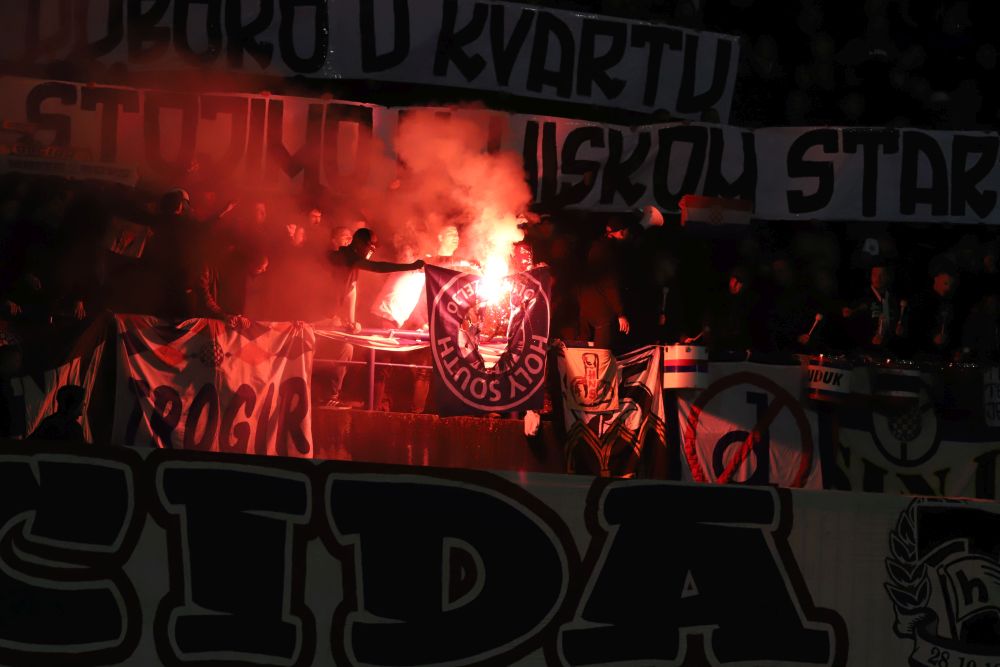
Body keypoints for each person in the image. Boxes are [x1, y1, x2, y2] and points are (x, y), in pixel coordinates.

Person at [316, 229, 425, 408]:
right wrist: (410, 266)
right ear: (359, 243)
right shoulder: (346, 256)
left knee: (347, 348)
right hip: (317, 316)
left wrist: (351, 320)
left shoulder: (352, 263)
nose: (371, 251)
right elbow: (378, 267)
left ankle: (331, 396)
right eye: (370, 247)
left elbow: (351, 290)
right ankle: (320, 394)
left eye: (374, 249)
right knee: (323, 353)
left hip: (331, 317)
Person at [841, 263, 904, 356]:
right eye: (875, 274)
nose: (878, 278)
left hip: (886, 352)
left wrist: (898, 331)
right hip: (862, 352)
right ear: (870, 276)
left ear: (887, 277)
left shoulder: (892, 299)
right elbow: (852, 326)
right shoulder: (861, 296)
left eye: (882, 275)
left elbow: (894, 325)